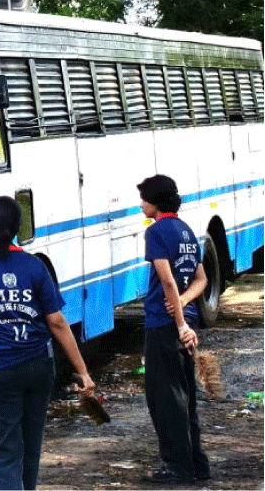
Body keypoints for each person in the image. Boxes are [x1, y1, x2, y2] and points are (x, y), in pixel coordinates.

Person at [0, 196, 95, 490]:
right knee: (30, 446)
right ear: (17, 228)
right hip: (38, 367)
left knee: (5, 453)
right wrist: (84, 372)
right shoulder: (34, 266)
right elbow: (57, 323)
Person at [137, 174, 210, 484]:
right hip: (186, 321)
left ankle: (178, 467)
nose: (141, 204)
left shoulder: (156, 233)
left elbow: (166, 280)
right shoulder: (185, 230)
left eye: (143, 198)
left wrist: (178, 321)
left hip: (165, 326)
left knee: (166, 398)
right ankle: (197, 463)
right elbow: (201, 280)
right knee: (186, 395)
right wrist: (183, 305)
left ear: (155, 202)